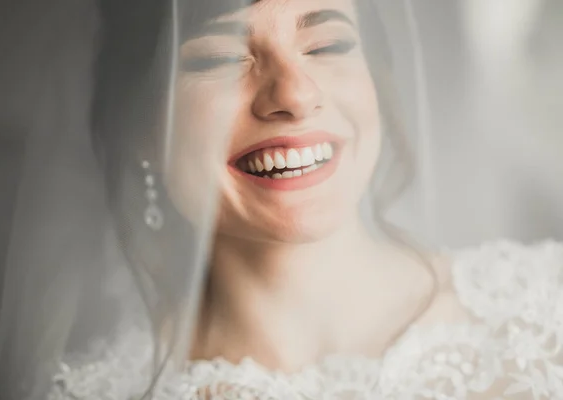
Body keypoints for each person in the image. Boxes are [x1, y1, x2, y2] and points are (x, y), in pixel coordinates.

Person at [46, 0, 563, 399]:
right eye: (221, 57)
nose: (293, 95)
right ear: (138, 123)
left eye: (328, 45)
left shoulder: (547, 311)